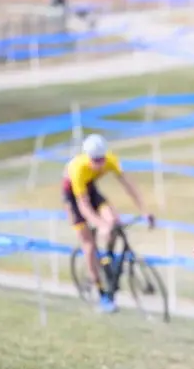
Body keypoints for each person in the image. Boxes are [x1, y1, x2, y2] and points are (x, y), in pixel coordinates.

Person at [62, 134, 155, 313]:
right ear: (87, 157)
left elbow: (129, 186)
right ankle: (101, 291)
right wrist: (100, 224)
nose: (99, 164)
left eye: (101, 160)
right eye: (95, 161)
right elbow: (84, 206)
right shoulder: (78, 168)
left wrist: (144, 210)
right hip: (73, 197)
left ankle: (109, 259)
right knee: (88, 244)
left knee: (113, 220)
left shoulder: (110, 160)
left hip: (91, 188)